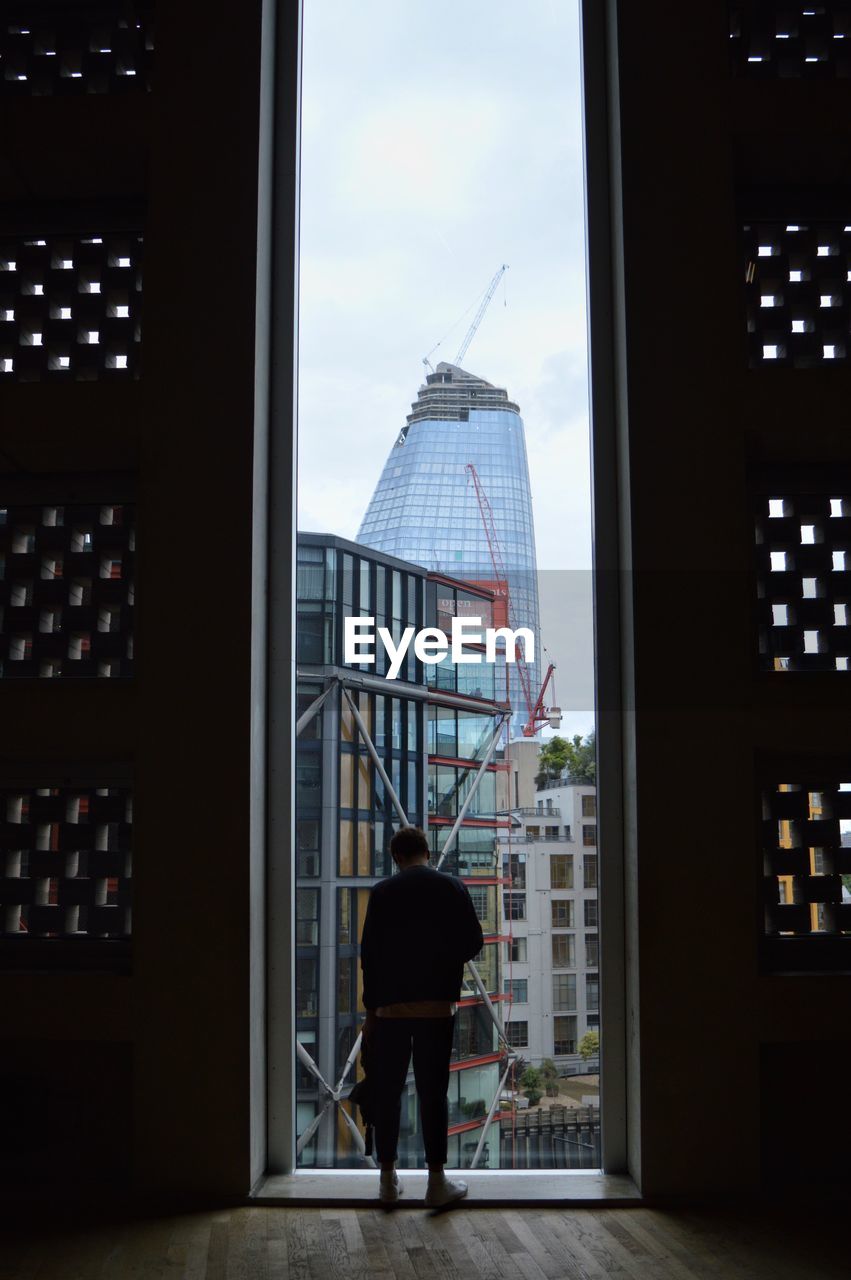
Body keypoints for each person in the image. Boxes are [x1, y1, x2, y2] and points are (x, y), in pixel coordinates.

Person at [360, 825, 484, 1206]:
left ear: (396, 856)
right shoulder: (452, 888)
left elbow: (369, 954)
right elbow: (473, 943)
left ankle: (386, 1179)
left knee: (388, 1091)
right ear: (427, 852)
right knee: (434, 1092)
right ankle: (436, 1181)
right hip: (436, 1007)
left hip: (390, 1009)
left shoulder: (382, 893)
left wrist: (372, 1010)